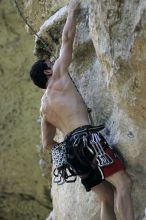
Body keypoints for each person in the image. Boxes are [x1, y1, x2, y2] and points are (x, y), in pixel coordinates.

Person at [29, 1, 134, 220]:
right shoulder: (57, 75)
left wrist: (70, 148)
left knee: (106, 197)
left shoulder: (44, 108)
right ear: (48, 70)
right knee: (123, 184)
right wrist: (72, 12)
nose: (54, 62)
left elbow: (48, 143)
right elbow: (67, 39)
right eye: (50, 62)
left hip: (72, 152)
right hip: (88, 139)